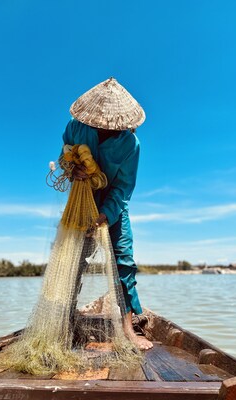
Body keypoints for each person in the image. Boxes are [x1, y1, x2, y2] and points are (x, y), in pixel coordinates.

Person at [61, 77, 153, 350]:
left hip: (114, 206)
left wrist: (105, 216)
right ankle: (65, 323)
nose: (102, 127)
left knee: (124, 262)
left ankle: (127, 330)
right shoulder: (75, 128)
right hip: (81, 200)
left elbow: (123, 188)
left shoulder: (130, 145)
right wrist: (71, 168)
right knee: (73, 261)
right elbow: (65, 154)